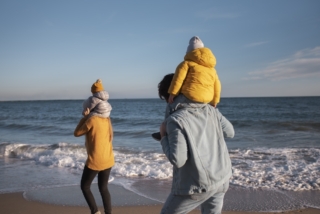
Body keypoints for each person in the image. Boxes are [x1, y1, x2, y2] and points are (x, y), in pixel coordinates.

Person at [157, 73, 234, 214]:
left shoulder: (175, 120)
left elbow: (177, 160)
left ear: (171, 96)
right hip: (222, 177)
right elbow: (230, 132)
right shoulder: (211, 110)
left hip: (198, 184)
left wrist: (163, 137)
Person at [152, 36, 221, 141]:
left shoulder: (186, 64)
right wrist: (214, 101)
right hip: (206, 100)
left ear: (189, 52)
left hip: (190, 96)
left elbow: (178, 79)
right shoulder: (212, 70)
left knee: (171, 107)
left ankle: (164, 130)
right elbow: (217, 86)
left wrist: (172, 93)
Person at [74, 79, 115, 214]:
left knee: (85, 186)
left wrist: (84, 117)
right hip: (108, 159)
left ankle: (95, 212)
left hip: (95, 161)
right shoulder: (107, 119)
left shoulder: (92, 119)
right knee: (103, 188)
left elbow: (77, 133)